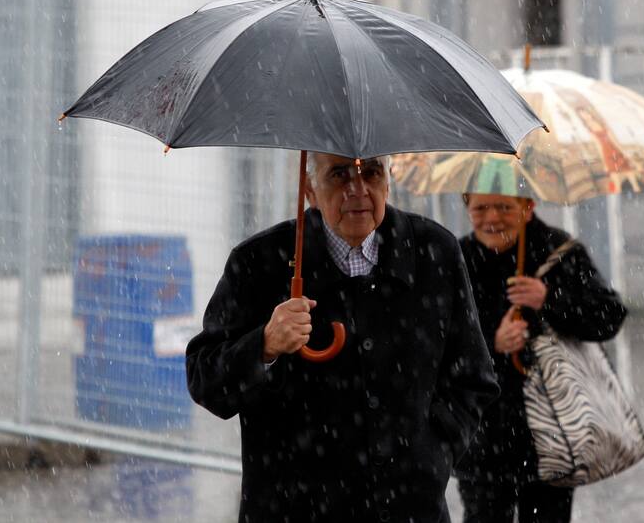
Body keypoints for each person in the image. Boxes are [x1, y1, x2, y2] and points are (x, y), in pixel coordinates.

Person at [186, 153, 500, 522]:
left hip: (406, 508)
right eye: (338, 174)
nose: (358, 189)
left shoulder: (434, 252)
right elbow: (204, 380)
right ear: (309, 191)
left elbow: (474, 379)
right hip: (292, 508)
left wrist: (433, 452)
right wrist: (264, 344)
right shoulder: (258, 262)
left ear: (388, 180)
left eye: (371, 172)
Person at [455, 193, 627, 523]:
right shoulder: (456, 256)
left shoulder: (558, 251)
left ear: (527, 207)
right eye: (480, 208)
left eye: (505, 207)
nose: (492, 217)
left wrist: (549, 299)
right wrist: (492, 343)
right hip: (481, 434)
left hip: (552, 430)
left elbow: (609, 316)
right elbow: (436, 338)